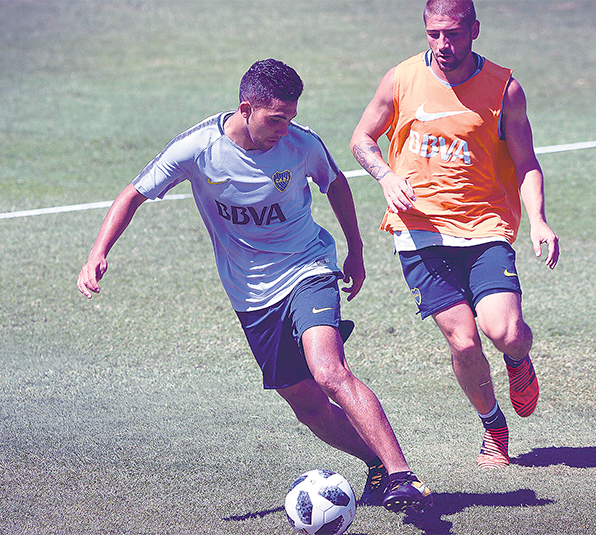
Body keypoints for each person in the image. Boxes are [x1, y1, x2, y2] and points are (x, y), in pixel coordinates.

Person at [77, 59, 432, 512]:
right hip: (250, 294)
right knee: (307, 406)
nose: (285, 126)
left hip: (308, 267)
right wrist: (98, 252)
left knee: (328, 371)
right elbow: (134, 193)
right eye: (276, 118)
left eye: (291, 116)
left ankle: (404, 475)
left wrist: (355, 251)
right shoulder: (197, 149)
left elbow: (336, 184)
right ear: (246, 108)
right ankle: (376, 465)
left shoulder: (301, 145)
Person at [350, 0, 560, 468]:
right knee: (464, 341)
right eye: (434, 34)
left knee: (503, 332)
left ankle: (518, 360)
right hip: (419, 231)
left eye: (453, 34)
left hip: (485, 226)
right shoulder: (401, 78)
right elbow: (362, 138)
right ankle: (494, 429)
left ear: (474, 30)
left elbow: (526, 162)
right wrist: (385, 176)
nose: (443, 45)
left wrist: (540, 219)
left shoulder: (505, 88)